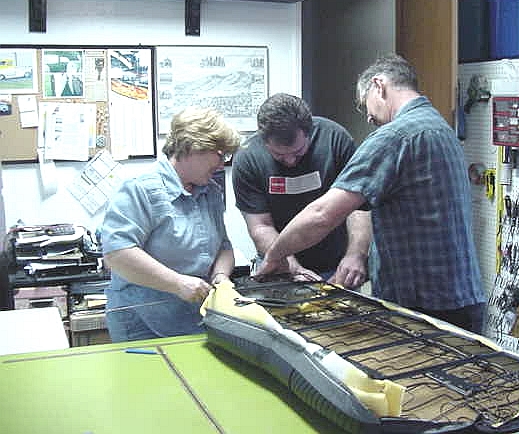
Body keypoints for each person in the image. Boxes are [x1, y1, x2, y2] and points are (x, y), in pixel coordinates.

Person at [257, 55, 487, 334]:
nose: (367, 116)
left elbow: (322, 215)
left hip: (424, 308)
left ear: (379, 86)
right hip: (463, 298)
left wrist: (275, 255)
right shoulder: (440, 127)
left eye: (364, 104)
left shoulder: (395, 137)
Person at [102, 106, 240, 342]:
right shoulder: (140, 189)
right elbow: (117, 253)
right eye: (220, 154)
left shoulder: (211, 192)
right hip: (142, 323)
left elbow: (223, 246)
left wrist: (220, 277)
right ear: (194, 147)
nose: (222, 164)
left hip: (192, 318)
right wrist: (178, 283)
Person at [232, 93, 371, 289]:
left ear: (309, 133)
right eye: (279, 155)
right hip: (281, 266)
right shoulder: (248, 158)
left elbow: (358, 206)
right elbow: (261, 226)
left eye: (298, 152)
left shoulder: (334, 139)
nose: (290, 161)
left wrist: (356, 254)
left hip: (336, 264)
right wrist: (293, 267)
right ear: (264, 141)